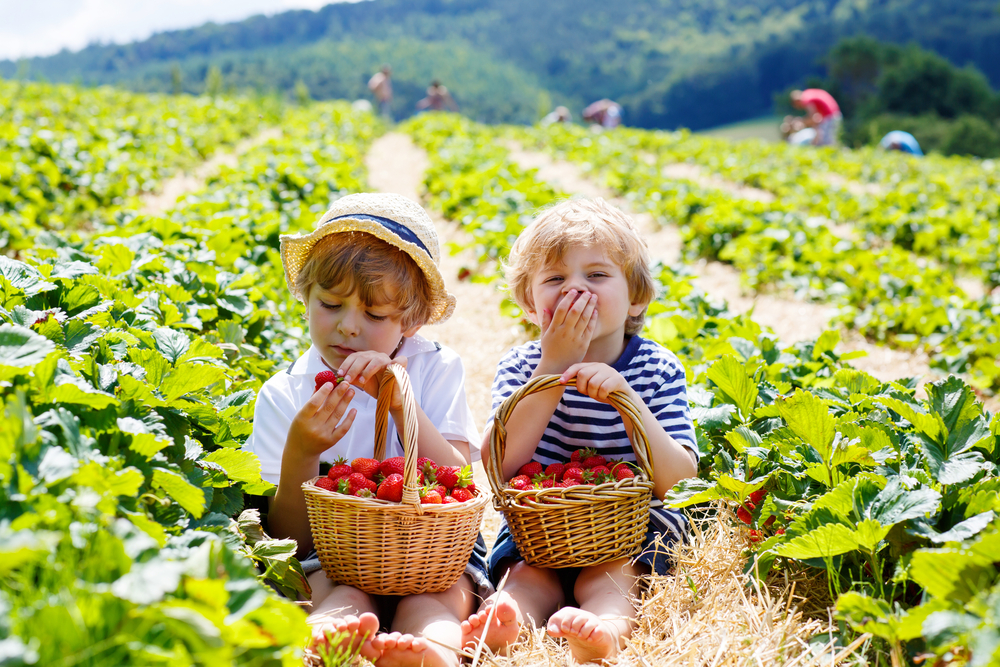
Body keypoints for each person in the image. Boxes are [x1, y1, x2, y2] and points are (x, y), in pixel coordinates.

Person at [244, 192, 490, 667]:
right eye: (331, 304)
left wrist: (401, 406)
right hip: (335, 553)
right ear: (306, 297)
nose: (349, 327)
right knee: (334, 593)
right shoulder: (287, 392)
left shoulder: (435, 369)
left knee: (437, 601)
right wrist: (302, 450)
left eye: (375, 315)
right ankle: (332, 638)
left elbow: (458, 482)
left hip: (432, 552)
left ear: (412, 322)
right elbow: (291, 540)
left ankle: (431, 648)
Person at [460, 198, 699, 663]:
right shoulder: (522, 366)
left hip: (630, 528)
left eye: (596, 275)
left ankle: (606, 627)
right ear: (531, 305)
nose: (575, 290)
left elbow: (682, 482)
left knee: (613, 574)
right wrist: (553, 367)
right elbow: (497, 466)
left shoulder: (655, 368)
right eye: (554, 280)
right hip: (541, 528)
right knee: (528, 575)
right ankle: (507, 618)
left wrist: (628, 400)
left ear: (637, 296)